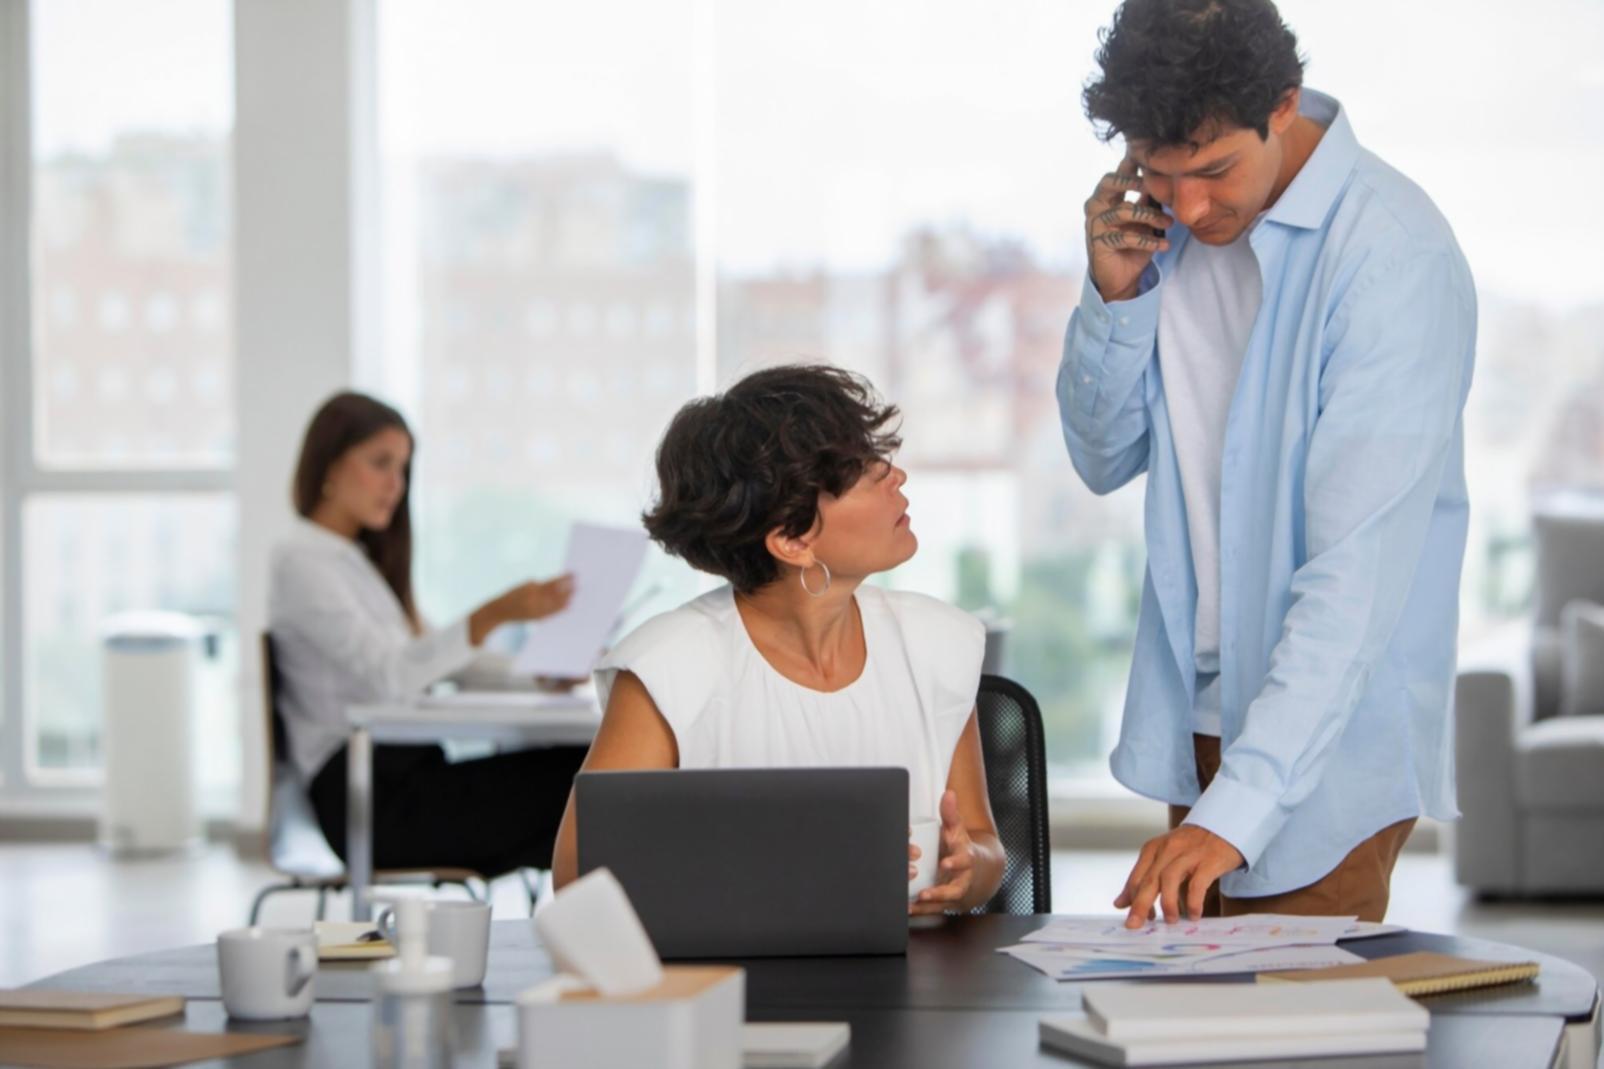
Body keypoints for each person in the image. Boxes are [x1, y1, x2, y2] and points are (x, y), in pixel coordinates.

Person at [1059, 0, 1476, 925]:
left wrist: (1238, 808)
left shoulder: (1391, 259)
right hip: (1201, 720)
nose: (1189, 207)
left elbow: (1354, 580)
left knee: (1296, 1008)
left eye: (1214, 171)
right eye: (1157, 173)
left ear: (1283, 105)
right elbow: (1102, 457)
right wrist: (1112, 297)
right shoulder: (1159, 236)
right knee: (1190, 1008)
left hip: (1322, 745)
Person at [551, 364, 1006, 915]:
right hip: (733, 966)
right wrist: (781, 869)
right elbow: (579, 878)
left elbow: (984, 844)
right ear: (792, 540)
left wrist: (968, 868)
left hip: (917, 961)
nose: (897, 476)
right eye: (863, 471)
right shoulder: (669, 668)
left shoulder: (937, 644)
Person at [269, 391, 588, 876]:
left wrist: (540, 676)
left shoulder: (359, 562)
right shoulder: (302, 562)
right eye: (381, 463)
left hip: (405, 777)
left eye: (402, 469)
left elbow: (445, 660)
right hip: (367, 800)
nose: (395, 485)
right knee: (586, 779)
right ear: (329, 465)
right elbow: (394, 675)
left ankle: (596, 914)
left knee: (585, 776)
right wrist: (492, 615)